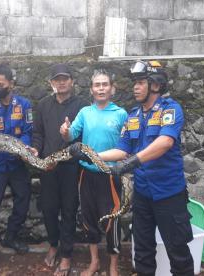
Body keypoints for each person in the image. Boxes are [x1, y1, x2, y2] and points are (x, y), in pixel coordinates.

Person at [73, 60, 195, 275]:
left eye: (140, 83)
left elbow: (164, 142)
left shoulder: (170, 110)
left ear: (155, 85)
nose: (135, 87)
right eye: (134, 83)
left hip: (168, 194)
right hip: (143, 195)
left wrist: (131, 162)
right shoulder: (133, 117)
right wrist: (91, 155)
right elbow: (121, 149)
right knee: (143, 251)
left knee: (178, 252)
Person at [60, 69, 127, 276]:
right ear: (91, 89)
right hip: (86, 174)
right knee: (89, 220)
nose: (100, 88)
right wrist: (64, 132)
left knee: (111, 221)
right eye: (97, 85)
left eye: (104, 84)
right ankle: (94, 262)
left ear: (112, 88)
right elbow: (71, 135)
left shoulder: (121, 114)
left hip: (111, 175)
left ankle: (113, 266)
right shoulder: (85, 113)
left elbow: (126, 148)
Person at [29, 63, 88, 276]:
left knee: (69, 210)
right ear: (51, 83)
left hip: (72, 168)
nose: (61, 82)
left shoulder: (83, 106)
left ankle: (66, 254)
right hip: (48, 168)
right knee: (49, 208)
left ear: (72, 81)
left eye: (65, 78)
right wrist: (35, 150)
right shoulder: (43, 105)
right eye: (57, 79)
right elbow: (38, 134)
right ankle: (53, 244)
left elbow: (83, 139)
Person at [0, 64, 33, 276]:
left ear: (10, 83)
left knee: (23, 201)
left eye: (0, 84)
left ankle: (10, 236)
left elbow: (28, 131)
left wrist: (23, 148)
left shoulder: (25, 105)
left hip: (18, 164)